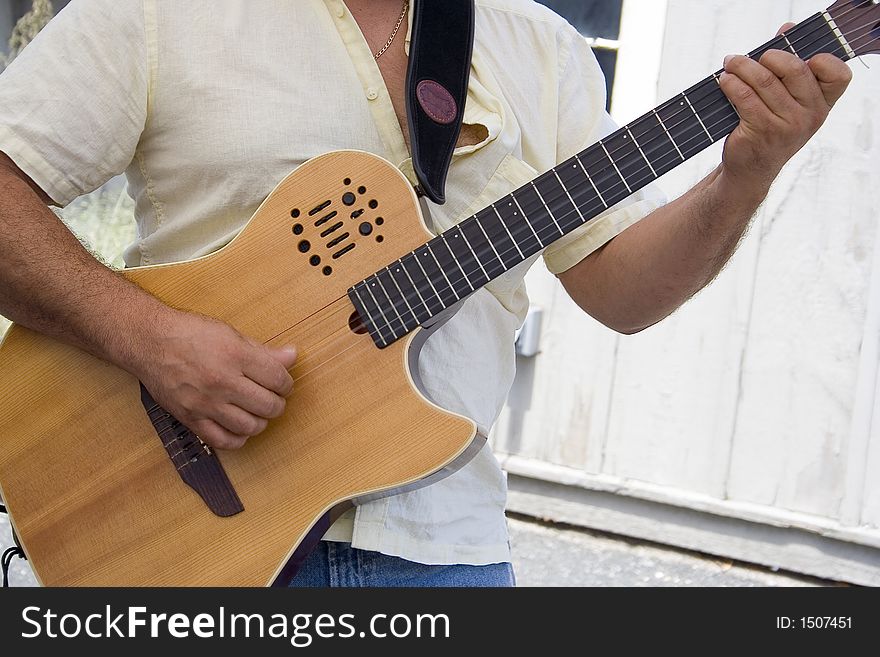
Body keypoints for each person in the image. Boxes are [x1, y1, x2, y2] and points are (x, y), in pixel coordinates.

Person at [0, 0, 852, 587]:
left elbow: (622, 292)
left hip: (449, 552)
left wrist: (747, 174)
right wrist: (148, 339)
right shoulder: (166, 13)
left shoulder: (540, 49)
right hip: (188, 546)